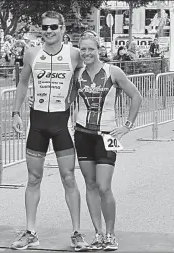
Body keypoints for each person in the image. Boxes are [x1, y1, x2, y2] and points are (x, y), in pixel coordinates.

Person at [11, 11, 89, 252]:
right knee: (33, 179)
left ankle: (77, 233)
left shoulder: (74, 54)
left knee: (69, 178)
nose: (49, 31)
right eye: (45, 27)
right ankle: (31, 232)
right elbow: (23, 82)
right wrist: (15, 112)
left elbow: (83, 78)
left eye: (54, 27)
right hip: (37, 123)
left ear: (63, 28)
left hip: (60, 124)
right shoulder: (32, 53)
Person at [73, 31, 142, 251]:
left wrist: (127, 126)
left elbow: (136, 96)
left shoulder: (113, 72)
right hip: (82, 134)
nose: (86, 53)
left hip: (107, 136)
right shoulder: (77, 73)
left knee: (104, 186)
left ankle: (111, 234)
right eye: (83, 49)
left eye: (90, 49)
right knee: (90, 185)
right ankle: (98, 234)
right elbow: (67, 101)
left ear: (98, 50)